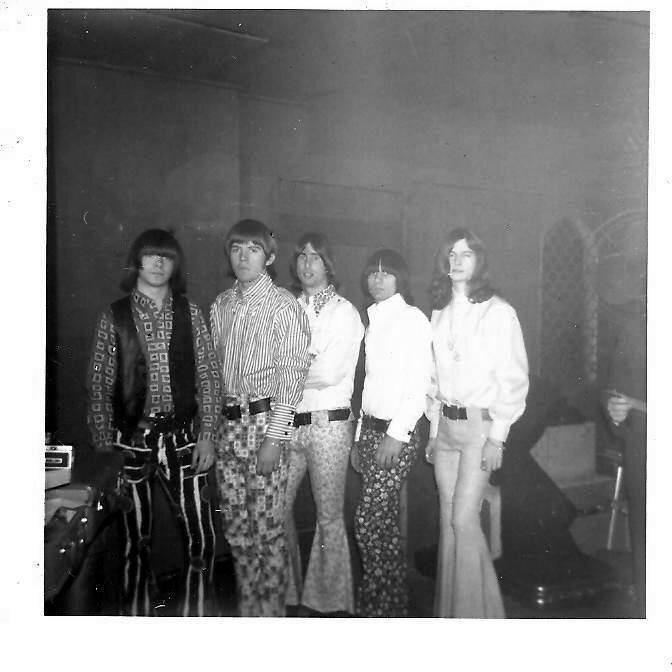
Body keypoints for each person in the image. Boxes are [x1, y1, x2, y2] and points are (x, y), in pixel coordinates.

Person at [86, 228, 221, 616]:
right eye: (151, 255)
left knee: (201, 538)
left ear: (175, 264)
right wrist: (106, 451)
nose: (159, 263)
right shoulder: (114, 316)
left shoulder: (189, 313)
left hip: (183, 439)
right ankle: (137, 622)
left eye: (167, 256)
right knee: (134, 542)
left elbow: (209, 376)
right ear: (136, 261)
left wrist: (207, 435)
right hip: (130, 442)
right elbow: (98, 385)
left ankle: (197, 619)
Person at [210, 219, 311, 617]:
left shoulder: (284, 306)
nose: (243, 257)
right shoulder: (221, 304)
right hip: (228, 427)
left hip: (264, 425)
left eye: (253, 249)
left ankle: (271, 618)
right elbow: (213, 375)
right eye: (236, 249)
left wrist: (274, 438)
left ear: (269, 258)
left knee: (267, 532)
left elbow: (292, 376)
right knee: (237, 532)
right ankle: (249, 614)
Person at [426, 227, 529, 618]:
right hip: (446, 427)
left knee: (464, 520)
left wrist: (497, 438)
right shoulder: (439, 313)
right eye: (452, 254)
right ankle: (452, 614)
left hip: (479, 429)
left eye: (466, 254)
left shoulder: (498, 312)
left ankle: (481, 619)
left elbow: (513, 379)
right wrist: (433, 431)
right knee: (447, 521)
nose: (457, 261)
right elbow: (433, 378)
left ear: (479, 261)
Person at [284, 232, 364, 615]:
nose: (307, 263)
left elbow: (330, 372)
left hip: (329, 425)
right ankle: (284, 592)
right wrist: (303, 363)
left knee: (328, 517)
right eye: (302, 255)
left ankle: (328, 604)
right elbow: (275, 361)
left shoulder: (344, 312)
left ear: (328, 264)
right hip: (287, 423)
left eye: (315, 256)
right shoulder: (286, 308)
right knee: (274, 508)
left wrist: (289, 369)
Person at [353, 248, 432, 617]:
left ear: (401, 278)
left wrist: (396, 435)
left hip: (395, 435)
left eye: (386, 273)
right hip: (369, 432)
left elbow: (419, 385)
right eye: (373, 272)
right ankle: (387, 604)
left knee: (367, 522)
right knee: (381, 525)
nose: (378, 279)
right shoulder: (374, 320)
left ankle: (381, 603)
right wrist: (358, 438)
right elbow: (369, 386)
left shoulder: (412, 319)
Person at [604, 298, 646, 617]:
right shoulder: (635, 328)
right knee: (646, 537)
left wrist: (641, 406)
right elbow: (614, 391)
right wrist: (615, 411)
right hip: (644, 449)